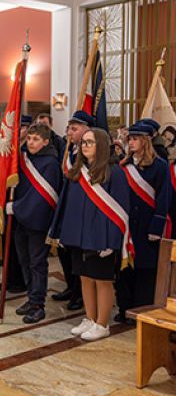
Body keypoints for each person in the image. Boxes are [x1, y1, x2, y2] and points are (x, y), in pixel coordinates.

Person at [49, 128, 131, 341]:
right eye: (83, 142)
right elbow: (67, 205)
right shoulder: (77, 172)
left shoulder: (114, 172)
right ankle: (90, 318)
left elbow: (122, 212)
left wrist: (112, 241)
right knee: (85, 278)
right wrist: (63, 232)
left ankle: (102, 324)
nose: (84, 146)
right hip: (79, 236)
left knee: (102, 280)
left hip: (101, 237)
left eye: (90, 142)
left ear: (101, 145)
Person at [115, 121, 171, 324]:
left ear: (146, 141)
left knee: (144, 270)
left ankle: (140, 310)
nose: (130, 142)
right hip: (127, 225)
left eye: (135, 139)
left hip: (146, 225)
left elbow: (164, 198)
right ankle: (124, 308)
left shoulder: (160, 166)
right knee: (125, 268)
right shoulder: (124, 165)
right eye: (129, 138)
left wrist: (156, 227)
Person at [9, 124, 62, 323]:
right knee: (24, 260)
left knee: (37, 263)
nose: (31, 142)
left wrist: (16, 207)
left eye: (36, 139)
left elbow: (43, 197)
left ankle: (38, 304)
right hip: (21, 220)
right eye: (29, 138)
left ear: (46, 142)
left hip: (38, 221)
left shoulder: (51, 163)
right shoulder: (23, 159)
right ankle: (31, 297)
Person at [52, 110, 95, 311]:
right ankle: (70, 286)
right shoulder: (70, 150)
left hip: (80, 211)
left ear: (87, 129)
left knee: (78, 255)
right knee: (64, 251)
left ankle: (79, 294)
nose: (69, 132)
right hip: (66, 207)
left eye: (74, 128)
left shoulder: (89, 154)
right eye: (69, 128)